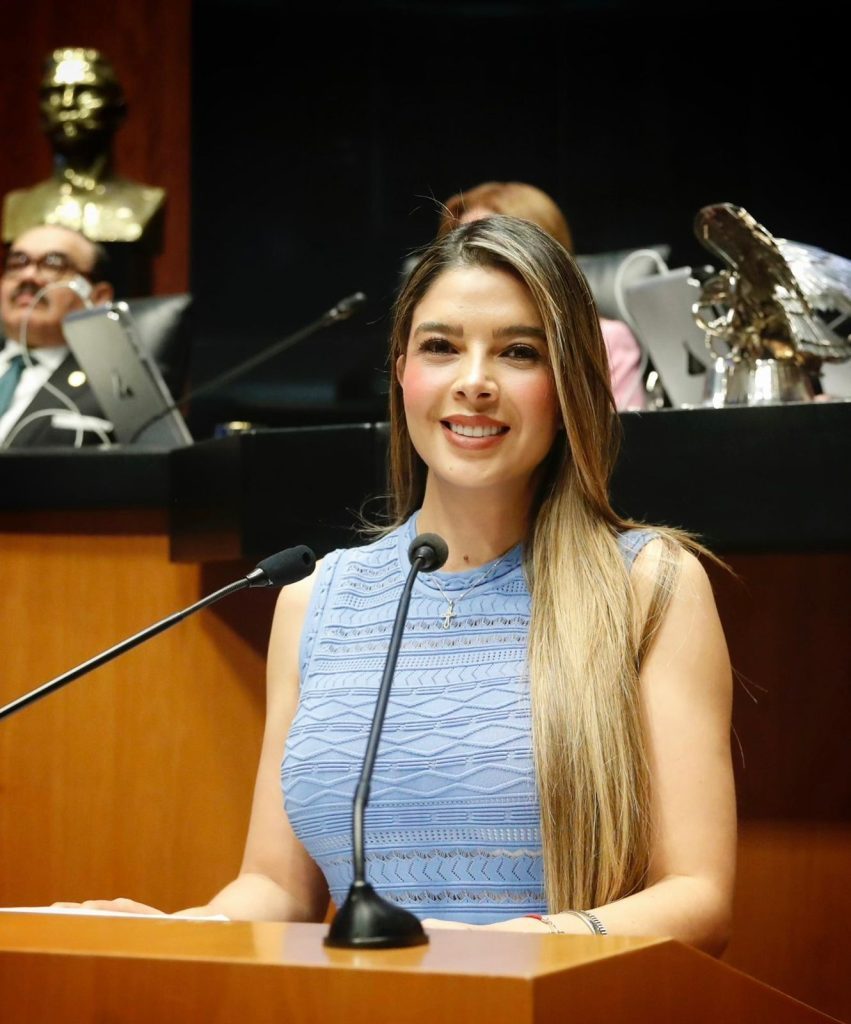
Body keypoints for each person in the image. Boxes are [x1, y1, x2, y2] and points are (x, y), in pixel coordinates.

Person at [57, 217, 735, 954]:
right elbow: (277, 888)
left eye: (518, 352)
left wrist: (513, 946)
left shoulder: (648, 583)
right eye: (441, 347)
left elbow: (697, 897)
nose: (473, 382)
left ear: (568, 381)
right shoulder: (314, 600)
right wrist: (175, 933)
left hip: (554, 997)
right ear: (403, 371)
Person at [437, 181, 647, 410]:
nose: (469, 263)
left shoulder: (605, 340)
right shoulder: (434, 333)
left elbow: (619, 430)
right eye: (463, 246)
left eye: (520, 353)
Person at [2, 48, 165, 294]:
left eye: (85, 92)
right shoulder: (18, 205)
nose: (67, 104)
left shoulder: (146, 204)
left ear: (118, 110)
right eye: (54, 93)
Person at [0, 223, 114, 447]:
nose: (28, 276)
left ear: (98, 297)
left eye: (53, 264)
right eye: (17, 263)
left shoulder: (112, 386)